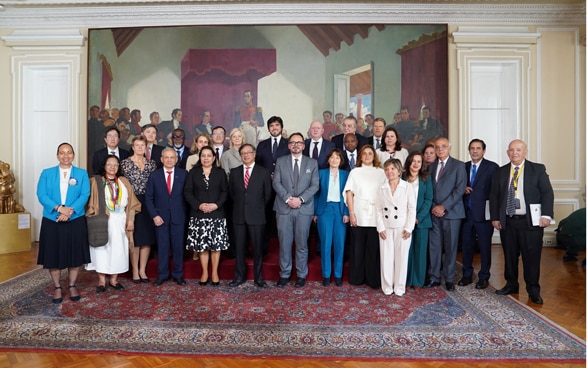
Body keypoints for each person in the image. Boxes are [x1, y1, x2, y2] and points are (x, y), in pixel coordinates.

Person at [490, 139, 554, 305]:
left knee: (531, 258)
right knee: (510, 257)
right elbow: (494, 196)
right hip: (508, 221)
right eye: (511, 150)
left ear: (525, 152)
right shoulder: (501, 171)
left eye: (518, 150)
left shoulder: (537, 169)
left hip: (530, 222)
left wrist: (546, 215)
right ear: (507, 153)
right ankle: (511, 285)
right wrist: (495, 217)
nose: (515, 153)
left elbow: (547, 193)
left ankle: (533, 290)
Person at [36, 143, 90, 303]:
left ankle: (72, 285)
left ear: (73, 155)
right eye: (62, 153)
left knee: (74, 254)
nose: (65, 156)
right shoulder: (47, 173)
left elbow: (84, 194)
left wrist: (69, 212)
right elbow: (41, 194)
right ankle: (57, 287)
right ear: (57, 155)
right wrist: (60, 209)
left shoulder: (81, 173)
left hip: (75, 219)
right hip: (52, 220)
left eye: (69, 153)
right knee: (54, 254)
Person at [86, 155, 141, 293]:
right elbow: (89, 202)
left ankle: (114, 280)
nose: (112, 167)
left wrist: (131, 220)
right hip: (102, 221)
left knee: (119, 250)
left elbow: (133, 204)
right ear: (104, 165)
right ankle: (101, 281)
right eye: (109, 163)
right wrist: (101, 211)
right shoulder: (95, 181)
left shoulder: (123, 181)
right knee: (101, 250)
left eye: (115, 164)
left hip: (121, 220)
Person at [273, 132, 319, 288]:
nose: (296, 145)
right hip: (283, 208)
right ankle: (285, 274)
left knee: (302, 244)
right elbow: (276, 183)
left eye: (299, 142)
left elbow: (315, 185)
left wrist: (300, 199)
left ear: (304, 146)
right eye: (293, 142)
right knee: (284, 244)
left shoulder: (312, 163)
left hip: (304, 209)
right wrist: (288, 199)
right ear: (288, 145)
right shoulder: (280, 161)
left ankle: (301, 275)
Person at [424, 137, 467, 291]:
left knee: (450, 247)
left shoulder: (459, 165)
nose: (440, 149)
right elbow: (429, 189)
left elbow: (459, 189)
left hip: (452, 213)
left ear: (449, 148)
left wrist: (444, 206)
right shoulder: (431, 167)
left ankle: (449, 279)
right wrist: (435, 207)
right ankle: (434, 277)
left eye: (443, 146)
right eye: (437, 147)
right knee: (434, 247)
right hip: (434, 213)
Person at [228, 144, 273, 288]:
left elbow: (267, 195)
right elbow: (232, 194)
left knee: (257, 249)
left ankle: (258, 278)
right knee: (239, 249)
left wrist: (255, 207)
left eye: (248, 152)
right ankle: (239, 277)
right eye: (243, 153)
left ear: (254, 154)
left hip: (257, 216)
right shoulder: (234, 172)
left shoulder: (263, 172)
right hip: (239, 216)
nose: (246, 155)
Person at [184, 145, 229, 286]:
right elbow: (188, 192)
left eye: (209, 155)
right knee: (202, 246)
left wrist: (216, 205)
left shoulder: (220, 173)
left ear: (214, 157)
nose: (206, 158)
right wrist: (199, 205)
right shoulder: (193, 172)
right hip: (199, 215)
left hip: (216, 213)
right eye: (203, 155)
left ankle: (214, 272)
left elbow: (225, 192)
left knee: (216, 246)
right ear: (200, 157)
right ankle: (204, 272)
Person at [343, 145, 387, 289]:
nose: (367, 156)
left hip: (376, 213)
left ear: (374, 156)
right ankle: (357, 278)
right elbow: (349, 193)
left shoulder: (381, 173)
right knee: (358, 248)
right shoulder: (355, 172)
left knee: (373, 249)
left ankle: (372, 279)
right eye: (364, 153)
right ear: (360, 156)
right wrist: (351, 213)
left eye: (370, 153)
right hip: (359, 213)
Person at [459, 139, 499, 290]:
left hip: (484, 215)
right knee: (467, 246)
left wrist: (494, 215)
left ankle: (483, 277)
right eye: (472, 148)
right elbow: (457, 187)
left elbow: (496, 192)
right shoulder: (463, 167)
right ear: (468, 150)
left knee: (484, 247)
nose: (475, 151)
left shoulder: (492, 167)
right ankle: (467, 275)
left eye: (478, 148)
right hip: (466, 214)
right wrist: (462, 189)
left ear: (484, 151)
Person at [146, 148, 189, 286]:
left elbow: (188, 196)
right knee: (162, 248)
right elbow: (148, 198)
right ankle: (162, 275)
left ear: (176, 159)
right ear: (162, 159)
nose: (169, 160)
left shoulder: (184, 174)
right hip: (161, 218)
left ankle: (178, 275)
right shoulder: (155, 175)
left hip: (179, 217)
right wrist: (154, 216)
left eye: (172, 157)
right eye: (167, 157)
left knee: (178, 247)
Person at [375, 158, 416, 296]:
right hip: (386, 227)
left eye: (392, 168)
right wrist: (380, 228)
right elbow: (378, 210)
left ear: (399, 170)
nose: (389, 172)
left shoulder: (407, 187)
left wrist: (409, 228)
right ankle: (387, 286)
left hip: (402, 227)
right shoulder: (381, 188)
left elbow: (412, 209)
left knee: (401, 258)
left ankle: (399, 287)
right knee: (386, 258)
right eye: (386, 169)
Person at [120, 136, 158, 283]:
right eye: (138, 145)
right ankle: (135, 270)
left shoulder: (151, 164)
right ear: (133, 147)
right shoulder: (125, 164)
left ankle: (143, 270)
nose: (140, 147)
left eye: (143, 145)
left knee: (147, 239)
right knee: (135, 239)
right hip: (132, 203)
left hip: (148, 203)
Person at [314, 148, 349, 286]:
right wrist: (315, 212)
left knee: (340, 244)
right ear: (328, 159)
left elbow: (349, 195)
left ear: (341, 161)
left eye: (338, 157)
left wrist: (347, 212)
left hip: (340, 210)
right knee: (326, 244)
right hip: (325, 210)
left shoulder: (346, 174)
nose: (334, 160)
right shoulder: (321, 173)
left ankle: (338, 275)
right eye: (332, 157)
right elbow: (316, 194)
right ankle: (326, 275)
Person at [403, 152, 433, 288]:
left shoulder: (426, 179)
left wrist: (418, 217)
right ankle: (406, 280)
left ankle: (417, 281)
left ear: (422, 164)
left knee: (420, 252)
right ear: (409, 162)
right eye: (413, 161)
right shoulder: (401, 178)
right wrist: (407, 218)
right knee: (406, 252)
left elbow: (428, 199)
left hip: (421, 221)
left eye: (419, 162)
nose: (416, 164)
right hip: (403, 220)